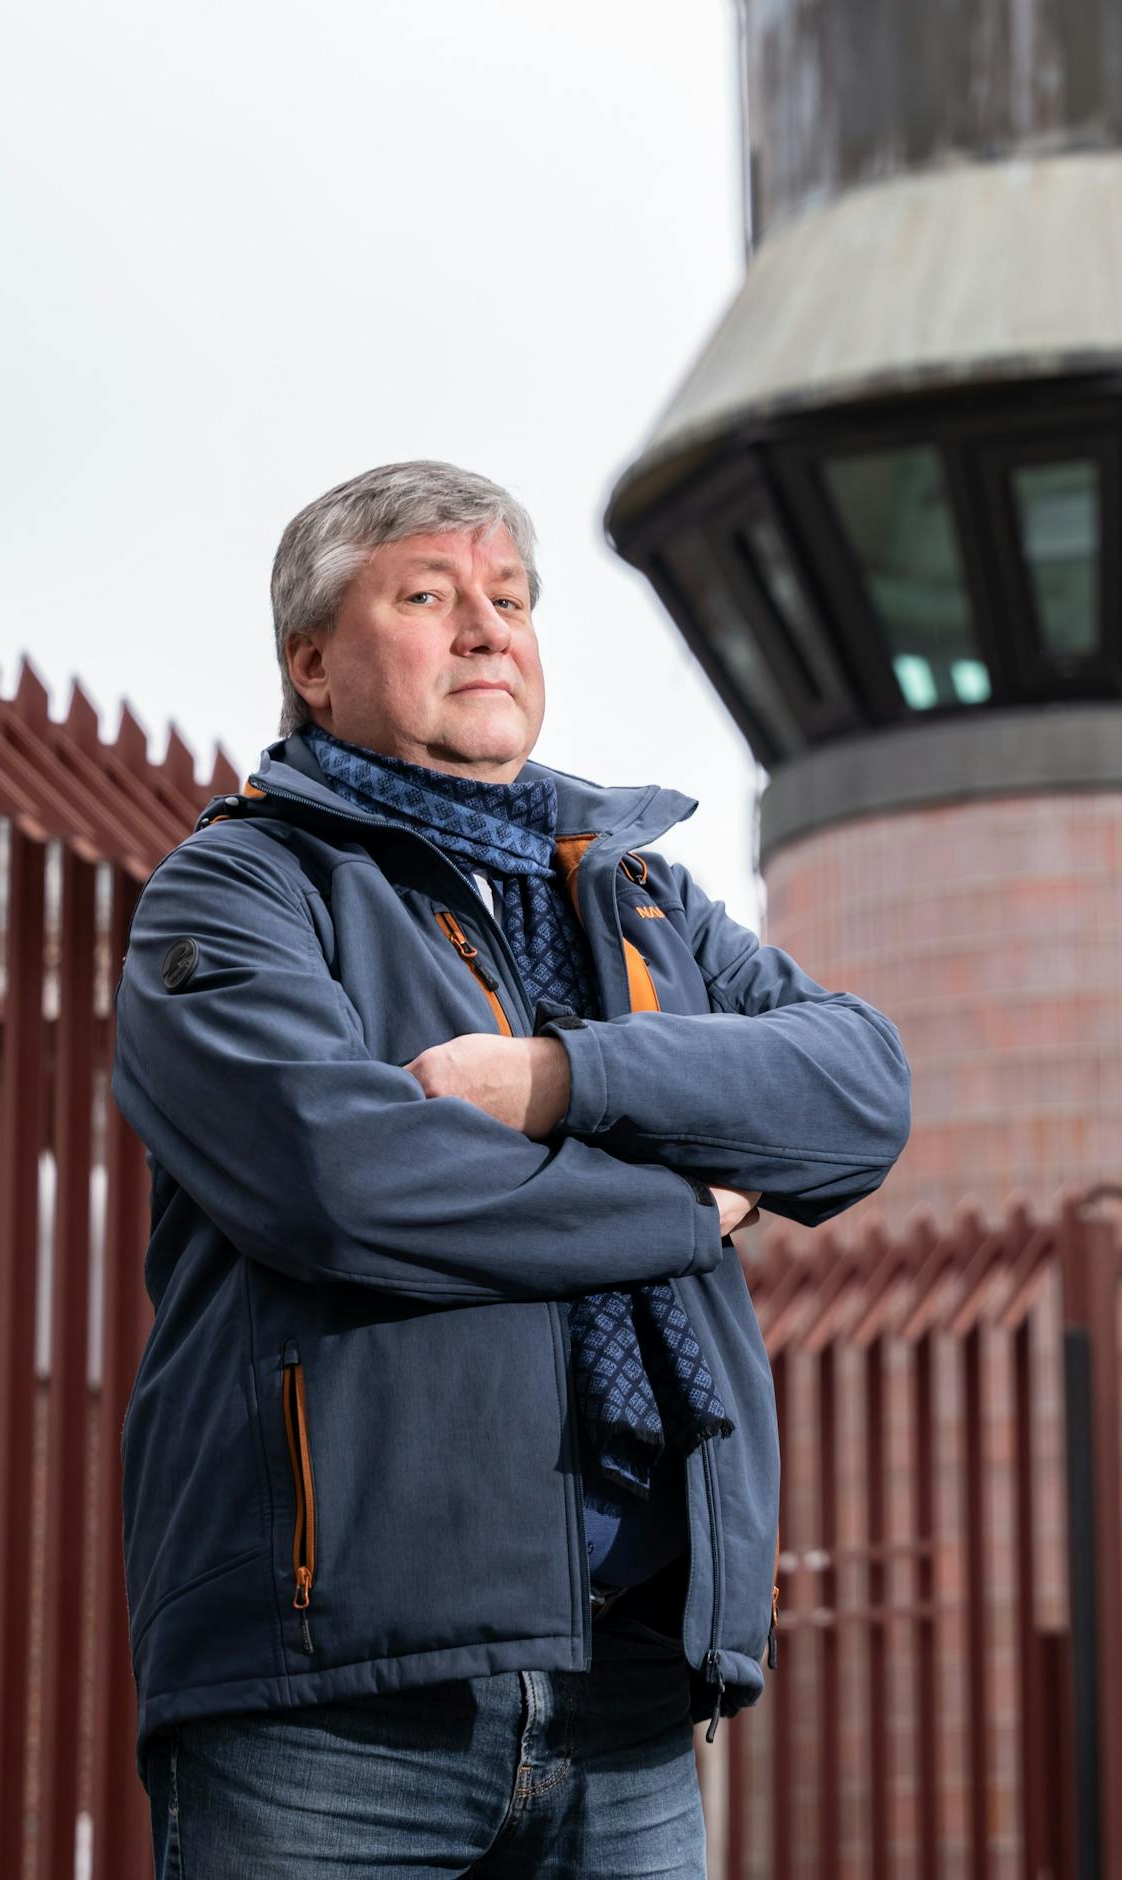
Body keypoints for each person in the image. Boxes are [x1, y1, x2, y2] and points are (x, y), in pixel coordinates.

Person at [112, 459, 911, 1877]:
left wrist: (563, 1079)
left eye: (511, 599)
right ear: (313, 664)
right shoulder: (241, 888)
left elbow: (858, 1091)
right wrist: (689, 1204)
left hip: (633, 1690)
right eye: (429, 597)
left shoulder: (643, 897)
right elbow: (342, 1183)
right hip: (335, 1701)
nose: (488, 629)